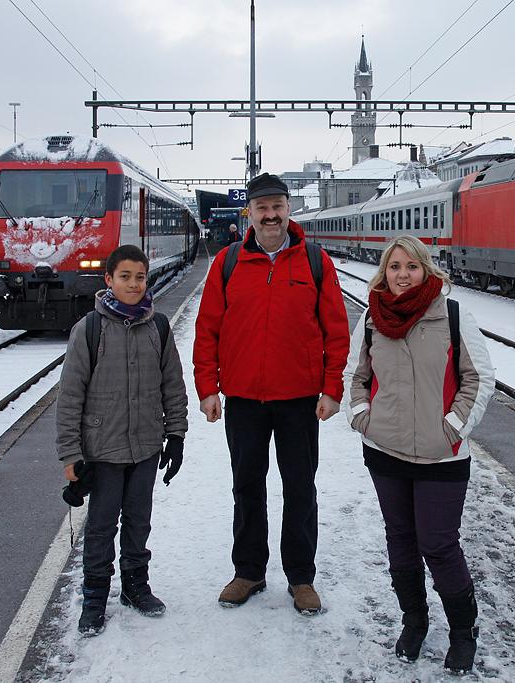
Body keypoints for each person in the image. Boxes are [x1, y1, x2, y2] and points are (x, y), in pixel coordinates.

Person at [193, 172, 351, 615]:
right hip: (243, 397)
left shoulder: (315, 262)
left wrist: (332, 388)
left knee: (300, 488)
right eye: (262, 207)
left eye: (277, 206)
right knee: (247, 487)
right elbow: (207, 332)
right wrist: (208, 388)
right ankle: (249, 571)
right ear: (251, 213)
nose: (271, 215)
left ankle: (301, 578)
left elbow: (337, 333)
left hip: (300, 397)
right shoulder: (227, 263)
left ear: (288, 209)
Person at [343, 235, 495, 674]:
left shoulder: (451, 313)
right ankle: (414, 621)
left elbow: (479, 377)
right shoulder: (373, 316)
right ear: (384, 272)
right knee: (401, 541)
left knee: (440, 545)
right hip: (385, 449)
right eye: (394, 267)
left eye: (411, 266)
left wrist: (453, 428)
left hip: (441, 456)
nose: (402, 275)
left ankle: (463, 632)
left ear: (426, 269)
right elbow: (356, 373)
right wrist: (362, 418)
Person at [56, 244, 188, 636]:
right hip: (103, 449)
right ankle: (95, 596)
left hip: (146, 446)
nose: (134, 284)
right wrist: (70, 454)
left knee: (138, 521)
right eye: (125, 276)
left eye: (140, 277)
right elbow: (69, 397)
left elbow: (173, 387)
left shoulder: (158, 327)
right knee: (100, 526)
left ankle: (135, 586)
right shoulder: (89, 329)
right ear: (109, 280)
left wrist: (176, 435)